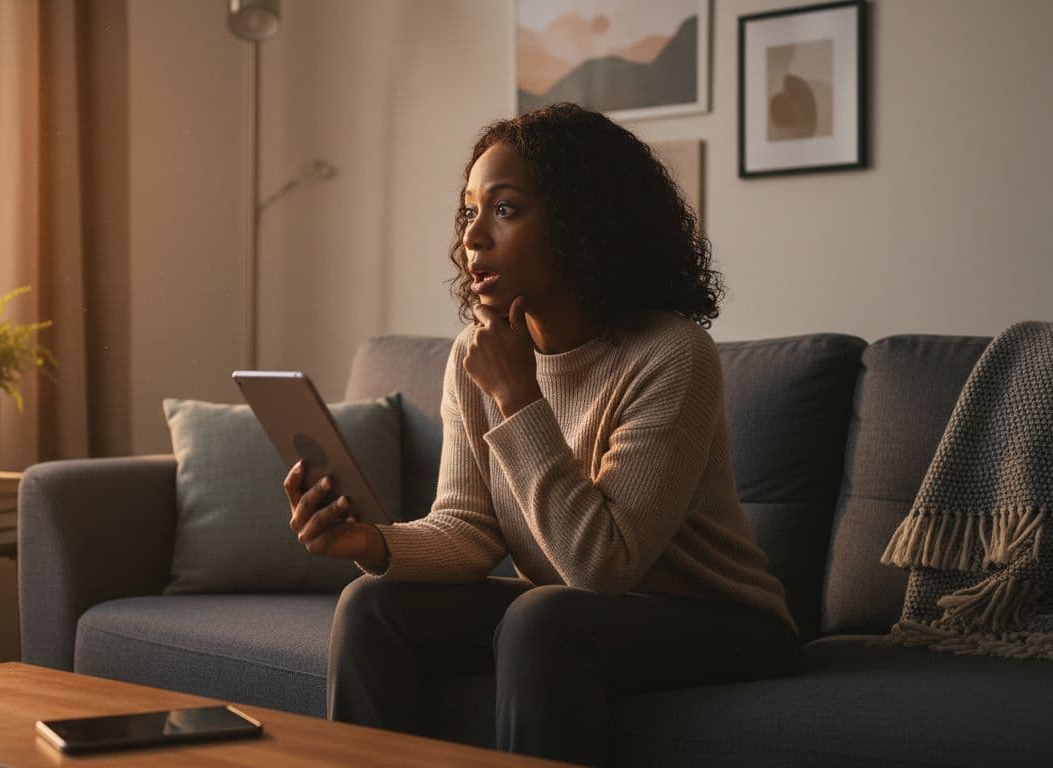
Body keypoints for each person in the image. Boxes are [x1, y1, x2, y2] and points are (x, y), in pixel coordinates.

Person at [283, 102, 799, 766]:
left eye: (504, 209)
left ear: (582, 223)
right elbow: (468, 531)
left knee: (542, 616)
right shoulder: (477, 353)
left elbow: (600, 569)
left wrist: (518, 395)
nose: (472, 237)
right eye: (469, 211)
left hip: (722, 623)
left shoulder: (671, 354)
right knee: (373, 604)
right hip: (579, 615)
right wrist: (370, 542)